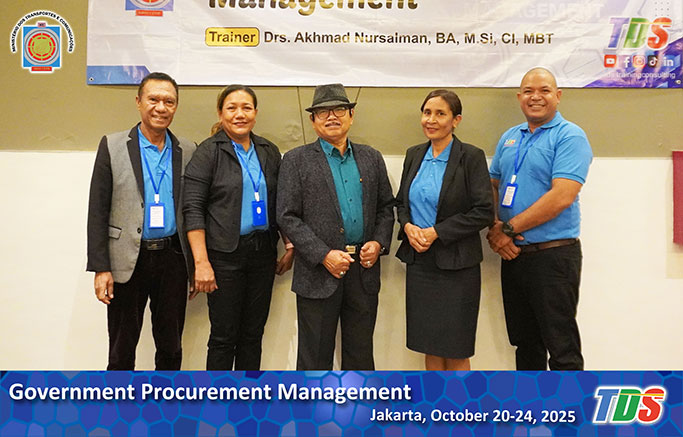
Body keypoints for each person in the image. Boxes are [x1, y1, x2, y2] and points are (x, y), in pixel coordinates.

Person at [277, 83, 394, 370]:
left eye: (339, 109)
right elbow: (287, 216)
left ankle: (358, 402)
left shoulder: (371, 157)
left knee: (360, 357)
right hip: (318, 272)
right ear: (312, 120)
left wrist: (378, 243)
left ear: (351, 115)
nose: (331, 116)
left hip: (363, 271)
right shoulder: (295, 160)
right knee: (314, 360)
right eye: (322, 111)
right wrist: (324, 255)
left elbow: (386, 207)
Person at [86, 72, 195, 370]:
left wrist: (195, 264)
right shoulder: (112, 145)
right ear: (138, 102)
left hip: (173, 259)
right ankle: (119, 399)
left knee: (171, 345)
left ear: (176, 106)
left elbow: (193, 209)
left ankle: (166, 398)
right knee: (122, 349)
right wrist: (101, 268)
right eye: (154, 99)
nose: (161, 107)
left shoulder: (188, 149)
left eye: (169, 101)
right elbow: (97, 210)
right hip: (126, 260)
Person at [487, 67, 593, 370]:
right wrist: (495, 227)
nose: (536, 97)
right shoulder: (510, 137)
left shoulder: (570, 136)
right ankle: (530, 402)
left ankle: (569, 403)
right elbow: (493, 185)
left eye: (544, 90)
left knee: (561, 347)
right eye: (528, 91)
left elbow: (562, 196)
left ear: (558, 96)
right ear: (519, 97)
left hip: (553, 257)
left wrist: (508, 229)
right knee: (525, 344)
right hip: (514, 256)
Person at [182, 85, 293, 370]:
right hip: (223, 256)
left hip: (262, 253)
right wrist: (201, 263)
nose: (239, 114)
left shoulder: (268, 151)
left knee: (252, 335)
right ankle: (219, 398)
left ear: (256, 113)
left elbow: (281, 201)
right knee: (223, 337)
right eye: (232, 108)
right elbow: (192, 208)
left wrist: (289, 244)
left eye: (246, 107)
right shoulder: (208, 152)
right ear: (220, 113)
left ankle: (248, 396)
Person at [395, 90, 494, 371]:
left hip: (457, 267)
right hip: (421, 264)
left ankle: (457, 401)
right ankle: (435, 400)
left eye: (440, 114)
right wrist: (408, 226)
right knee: (429, 343)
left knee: (456, 347)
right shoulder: (414, 154)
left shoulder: (471, 157)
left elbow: (483, 211)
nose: (431, 120)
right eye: (427, 113)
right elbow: (401, 202)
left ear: (456, 120)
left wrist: (436, 232)